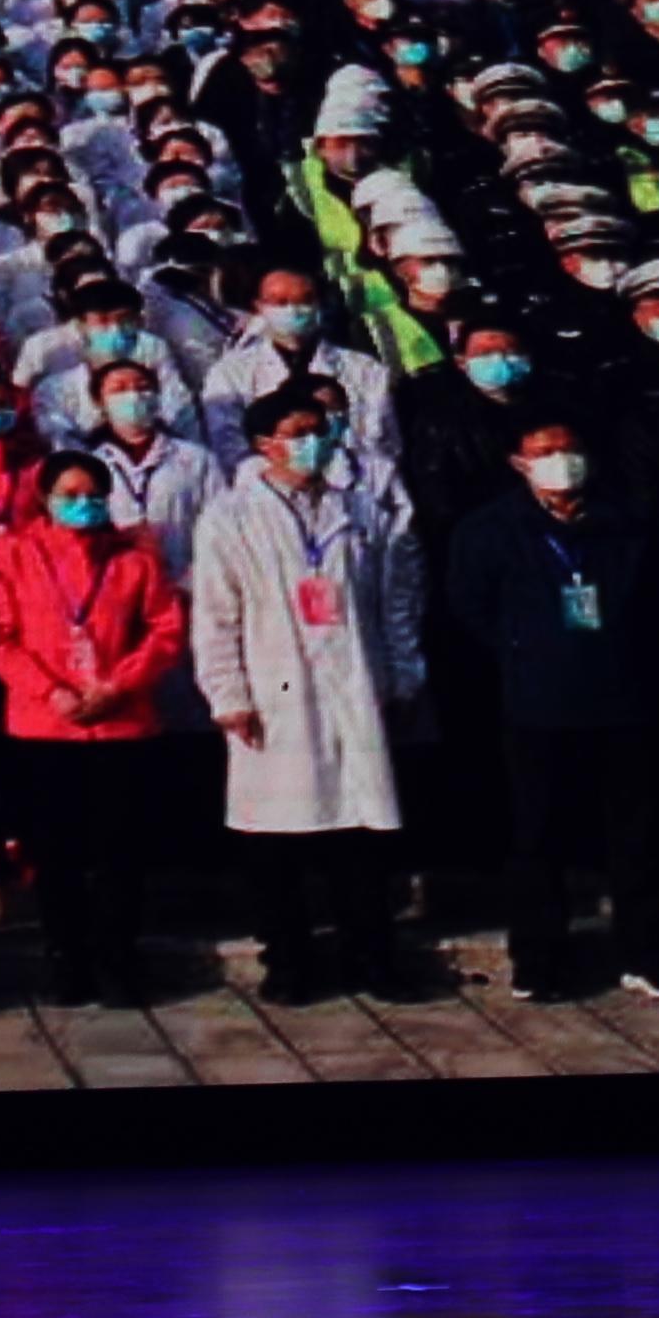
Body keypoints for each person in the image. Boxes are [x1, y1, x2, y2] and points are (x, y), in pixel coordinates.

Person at [190, 371, 426, 1003]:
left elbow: (395, 597)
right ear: (263, 444)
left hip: (356, 684)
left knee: (360, 836)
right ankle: (288, 963)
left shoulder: (359, 510)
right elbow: (215, 615)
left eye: (320, 430)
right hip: (276, 691)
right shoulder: (232, 517)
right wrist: (228, 694)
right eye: (297, 433)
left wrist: (403, 672)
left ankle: (371, 958)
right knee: (276, 838)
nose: (313, 442)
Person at [432, 403, 659, 1000]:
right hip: (535, 702)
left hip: (622, 699)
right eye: (543, 453)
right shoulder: (488, 530)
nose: (560, 462)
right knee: (537, 837)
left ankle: (646, 954)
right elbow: (471, 608)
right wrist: (524, 651)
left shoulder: (625, 524)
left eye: (568, 449)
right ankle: (540, 960)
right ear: (518, 463)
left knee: (636, 835)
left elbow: (655, 606)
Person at [0, 431, 194, 998]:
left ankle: (118, 960)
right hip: (45, 727)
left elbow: (166, 632)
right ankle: (66, 960)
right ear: (45, 498)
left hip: (122, 724)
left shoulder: (134, 560)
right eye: (70, 495)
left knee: (120, 852)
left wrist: (119, 685)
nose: (83, 504)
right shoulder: (15, 556)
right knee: (55, 854)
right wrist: (51, 693)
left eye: (93, 495)